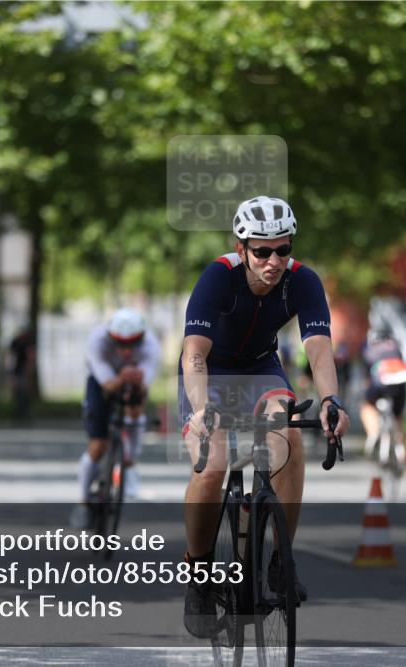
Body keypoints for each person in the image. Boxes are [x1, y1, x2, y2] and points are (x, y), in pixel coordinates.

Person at [179, 195, 349, 638]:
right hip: (211, 375)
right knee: (213, 463)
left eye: (283, 249)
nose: (274, 260)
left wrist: (331, 401)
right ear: (241, 249)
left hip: (259, 369)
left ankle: (277, 562)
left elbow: (319, 349)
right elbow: (194, 354)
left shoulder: (303, 282)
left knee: (288, 436)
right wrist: (200, 411)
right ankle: (198, 573)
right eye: (261, 250)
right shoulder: (218, 278)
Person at [70, 308, 161, 530]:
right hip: (102, 380)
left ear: (141, 339)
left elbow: (142, 391)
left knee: (136, 410)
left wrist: (135, 388)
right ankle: (83, 502)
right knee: (98, 444)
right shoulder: (97, 340)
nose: (127, 351)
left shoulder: (151, 347)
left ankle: (129, 463)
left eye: (133, 344)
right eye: (121, 344)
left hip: (133, 378)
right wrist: (121, 378)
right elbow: (108, 385)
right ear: (111, 338)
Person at [358, 323, 406, 466]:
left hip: (380, 381)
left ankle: (373, 433)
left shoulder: (369, 350)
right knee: (398, 416)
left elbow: (367, 379)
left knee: (366, 406)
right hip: (401, 381)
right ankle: (403, 452)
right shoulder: (396, 347)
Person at [7, 323, 36, 420]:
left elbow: (30, 357)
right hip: (16, 370)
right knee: (17, 391)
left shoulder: (28, 342)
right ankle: (18, 411)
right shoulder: (15, 342)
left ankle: (25, 411)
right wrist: (10, 372)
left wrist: (30, 371)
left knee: (25, 391)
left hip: (25, 370)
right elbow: (10, 357)